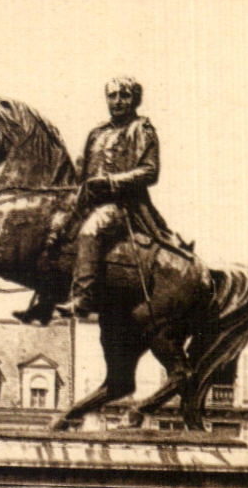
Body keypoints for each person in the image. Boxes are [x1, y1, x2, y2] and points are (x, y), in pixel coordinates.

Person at [56, 77, 177, 318]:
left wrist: (110, 181)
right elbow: (82, 169)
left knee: (90, 231)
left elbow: (149, 171)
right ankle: (46, 297)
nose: (118, 101)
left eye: (124, 95)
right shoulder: (97, 132)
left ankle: (82, 298)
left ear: (135, 100)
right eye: (112, 96)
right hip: (88, 201)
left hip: (122, 205)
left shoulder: (141, 129)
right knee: (53, 228)